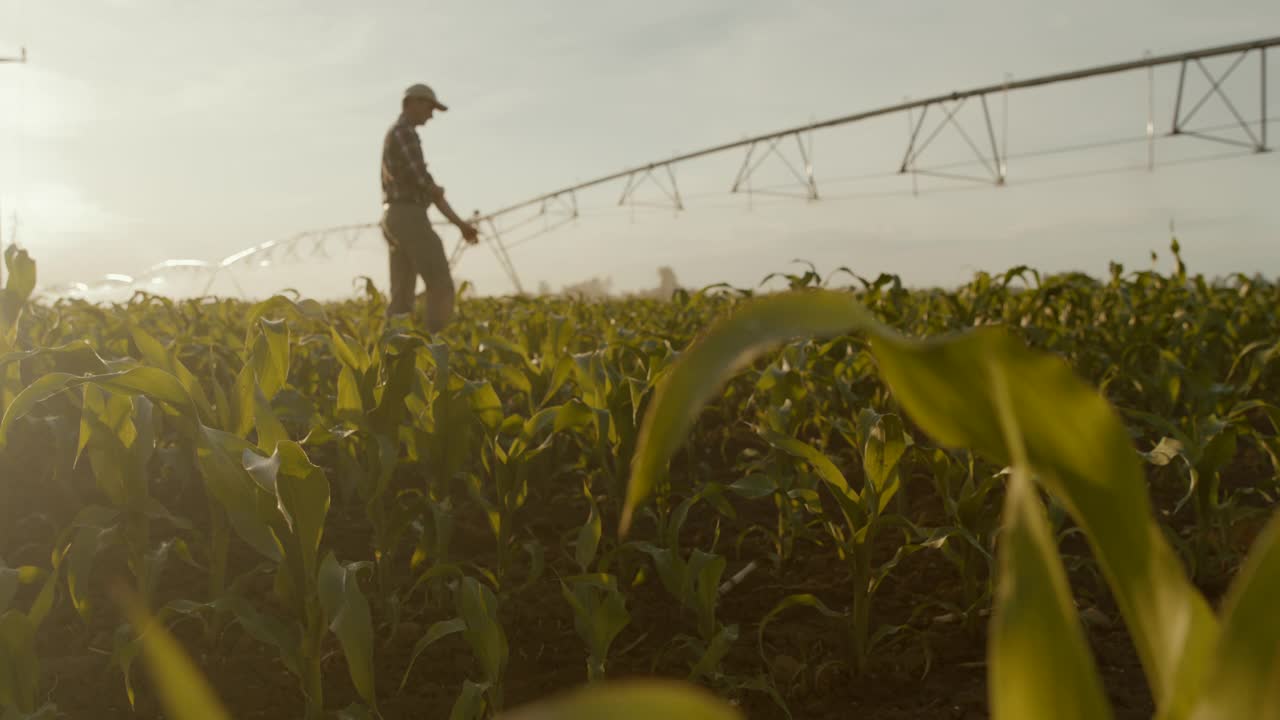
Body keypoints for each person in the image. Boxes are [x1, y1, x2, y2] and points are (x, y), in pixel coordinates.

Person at [380, 83, 480, 332]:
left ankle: (391, 357)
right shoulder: (405, 134)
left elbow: (423, 184)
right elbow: (424, 183)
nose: (431, 114)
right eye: (429, 107)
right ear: (411, 103)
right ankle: (436, 348)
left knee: (402, 296)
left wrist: (459, 223)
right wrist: (441, 197)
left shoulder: (397, 133)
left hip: (393, 216)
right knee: (440, 284)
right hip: (409, 216)